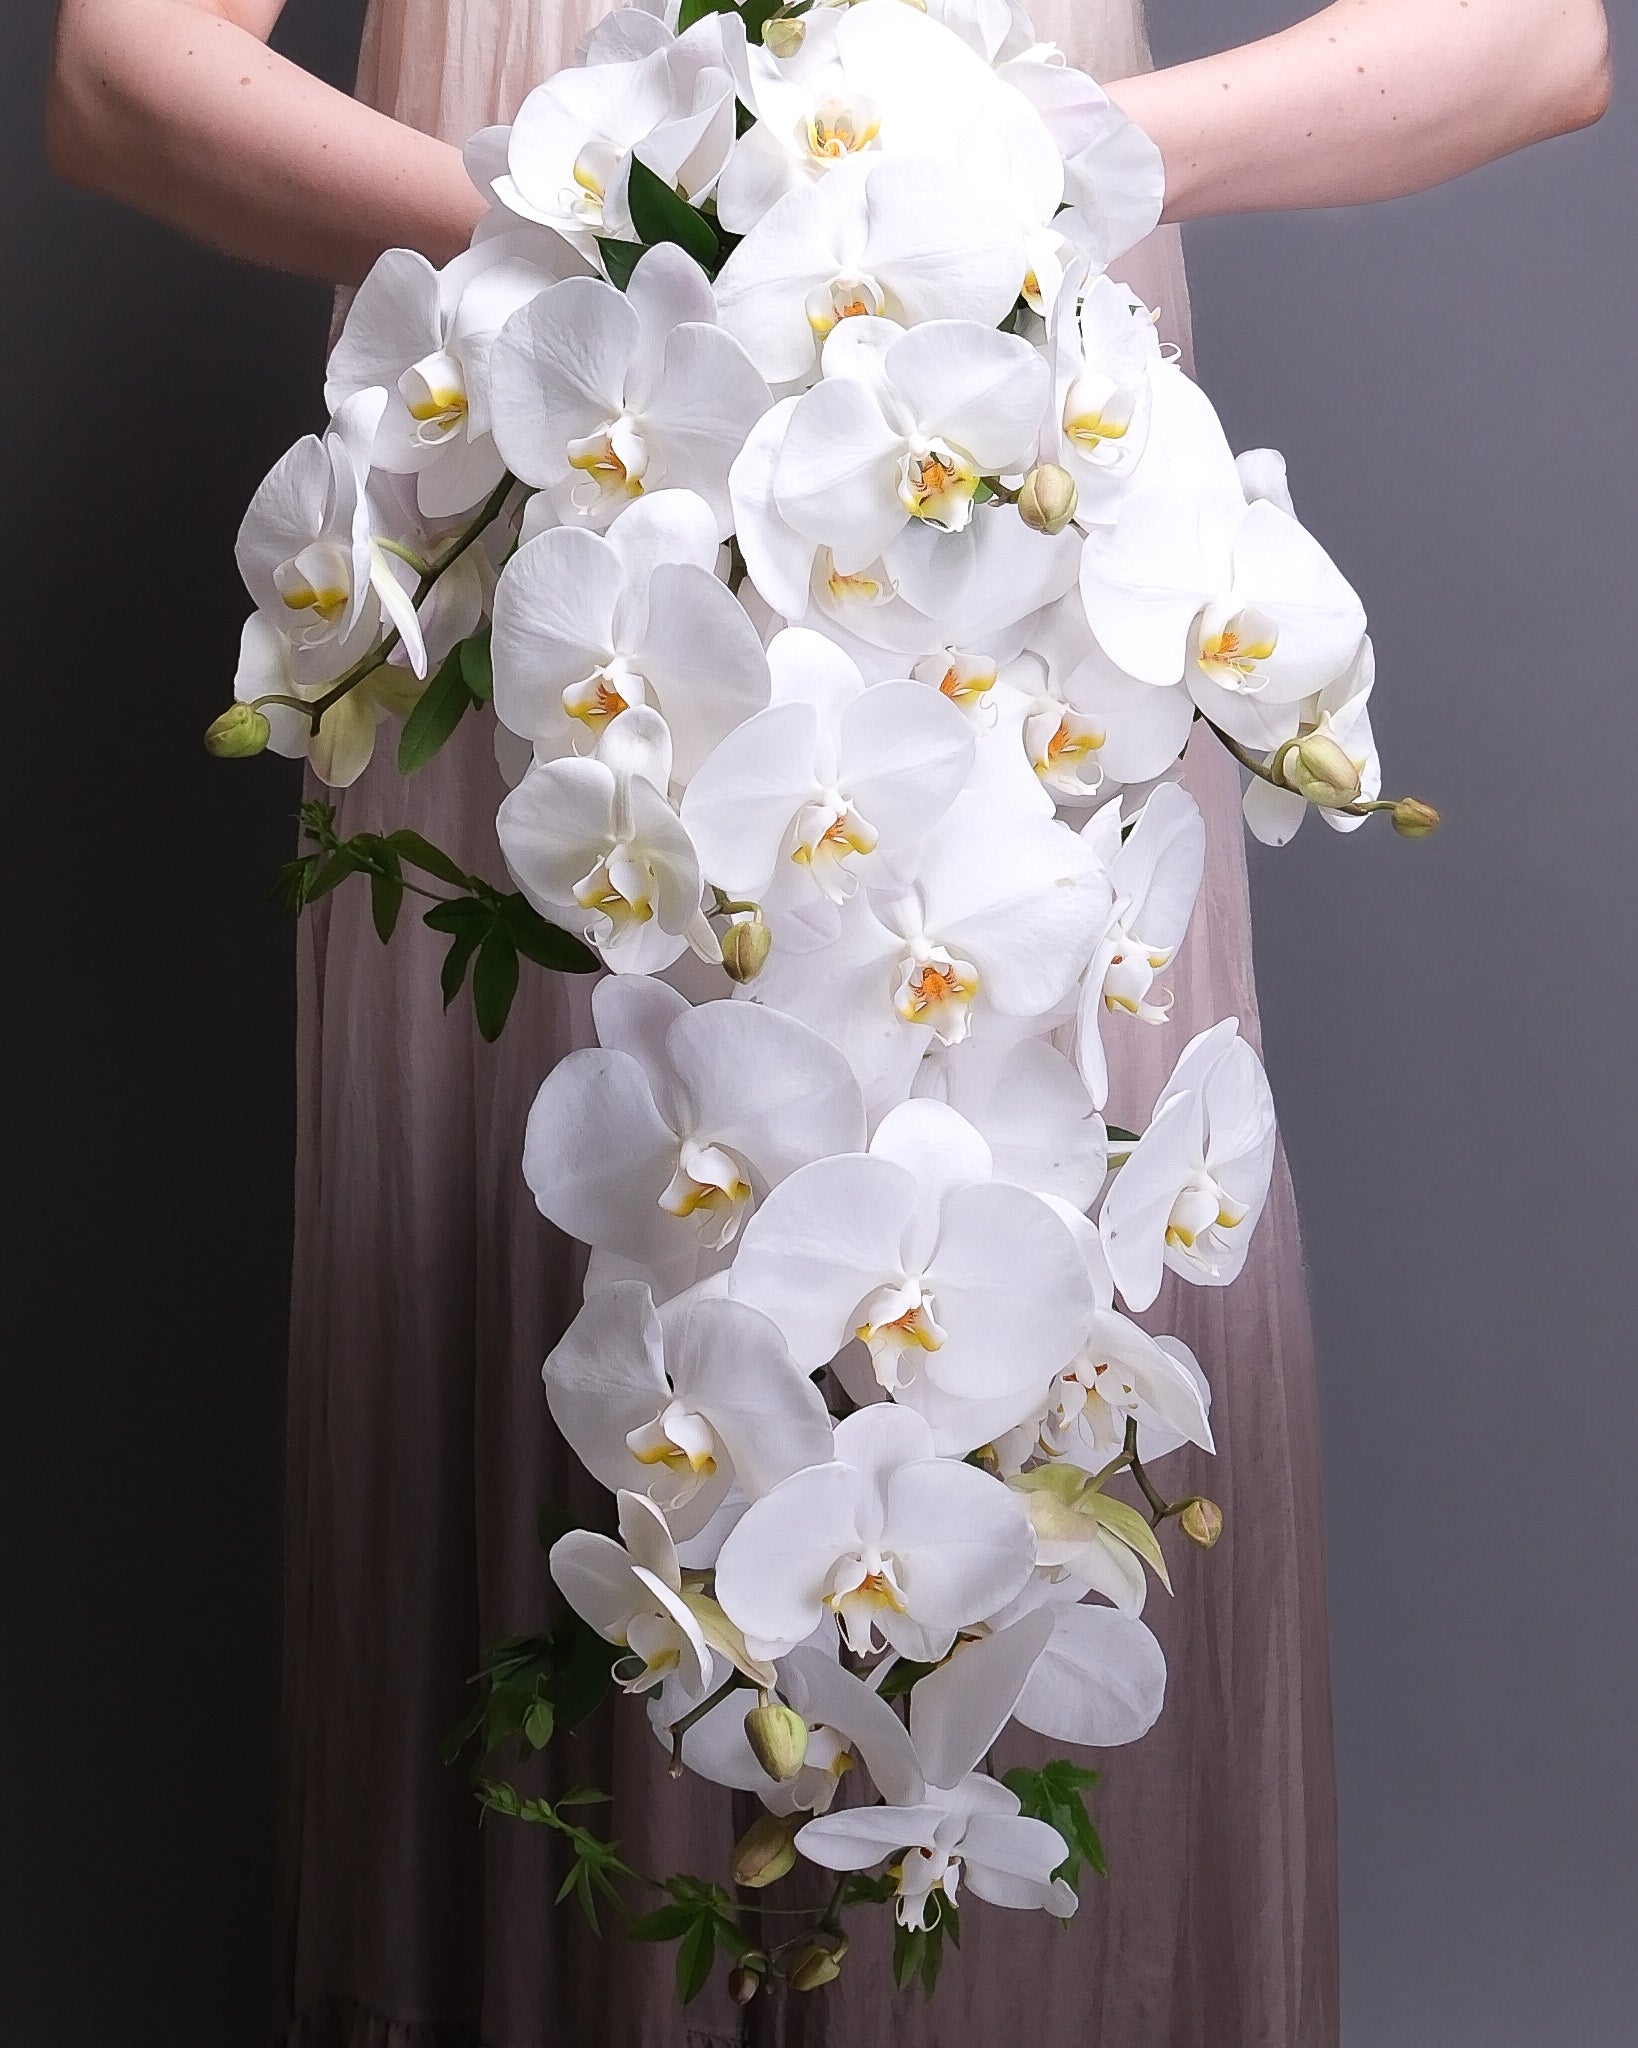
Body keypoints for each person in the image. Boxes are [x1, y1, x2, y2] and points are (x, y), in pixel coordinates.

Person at [48, 5, 1611, 2047]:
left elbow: (1532, 40)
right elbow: (117, 75)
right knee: (593, 1352)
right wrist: (587, 234)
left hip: (1011, 487)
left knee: (1039, 1361)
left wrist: (1019, 167)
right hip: (566, 491)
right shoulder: (571, 297)